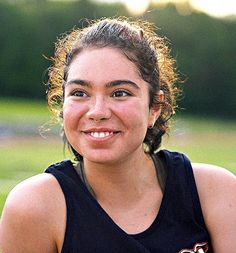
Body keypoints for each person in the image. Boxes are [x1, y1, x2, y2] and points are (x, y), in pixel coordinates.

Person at [0, 17, 235, 253]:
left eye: (120, 92)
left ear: (155, 108)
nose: (98, 112)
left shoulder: (215, 192)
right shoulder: (35, 207)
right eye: (80, 93)